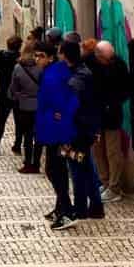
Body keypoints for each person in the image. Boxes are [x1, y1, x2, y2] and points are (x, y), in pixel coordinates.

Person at [35, 41, 78, 230]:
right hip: (52, 130)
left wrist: (60, 116)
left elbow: (63, 102)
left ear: (51, 57)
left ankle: (67, 211)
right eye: (36, 55)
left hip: (58, 133)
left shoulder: (54, 75)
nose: (37, 59)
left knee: (56, 170)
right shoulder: (51, 72)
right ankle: (61, 207)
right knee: (54, 169)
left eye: (41, 56)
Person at [64, 39, 104, 220]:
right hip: (85, 131)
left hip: (76, 133)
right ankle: (96, 207)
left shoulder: (78, 77)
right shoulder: (83, 72)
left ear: (65, 56)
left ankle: (81, 208)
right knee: (86, 166)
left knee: (76, 169)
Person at [92, 40, 132, 204]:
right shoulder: (93, 64)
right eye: (106, 59)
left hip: (112, 117)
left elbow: (126, 89)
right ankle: (105, 182)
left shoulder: (119, 66)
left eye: (110, 58)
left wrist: (112, 103)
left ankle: (115, 188)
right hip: (96, 116)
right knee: (98, 150)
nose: (109, 61)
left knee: (113, 152)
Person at [9, 41, 43, 173]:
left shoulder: (18, 68)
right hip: (40, 106)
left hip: (24, 107)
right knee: (39, 136)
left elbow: (13, 89)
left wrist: (20, 97)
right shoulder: (41, 68)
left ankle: (28, 163)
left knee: (27, 137)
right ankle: (36, 163)